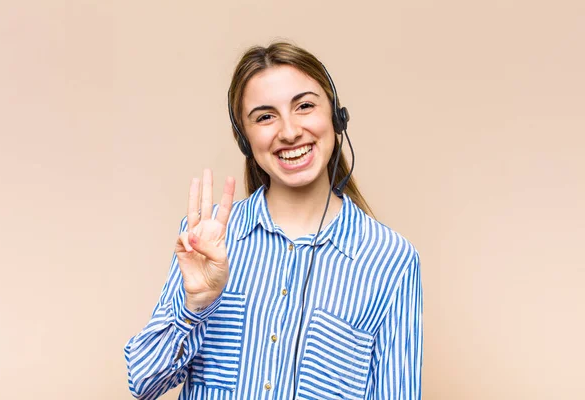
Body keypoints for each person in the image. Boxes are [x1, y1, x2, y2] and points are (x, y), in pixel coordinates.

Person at [124, 42, 423, 400]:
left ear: (336, 118)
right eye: (265, 116)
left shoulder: (391, 260)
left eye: (305, 106)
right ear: (245, 139)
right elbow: (142, 384)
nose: (290, 131)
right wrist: (195, 305)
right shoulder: (208, 242)